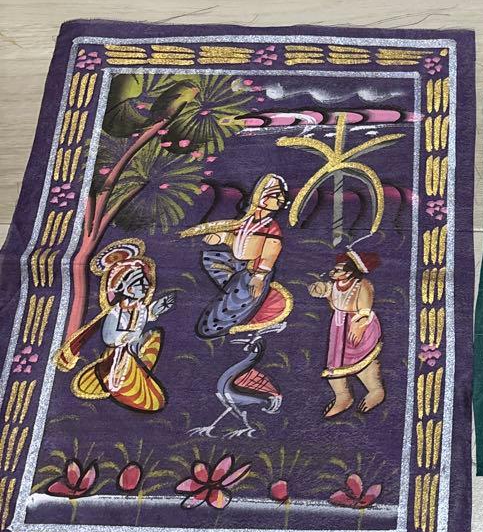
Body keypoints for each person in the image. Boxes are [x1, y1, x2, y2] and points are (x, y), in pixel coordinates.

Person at [54, 240, 175, 411]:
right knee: (126, 385)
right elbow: (109, 337)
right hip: (118, 357)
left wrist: (157, 308)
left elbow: (144, 316)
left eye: (145, 283)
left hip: (133, 351)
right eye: (140, 284)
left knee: (154, 339)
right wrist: (127, 337)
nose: (145, 287)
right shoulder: (116, 312)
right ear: (127, 289)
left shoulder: (140, 308)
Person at [182, 173, 292, 339]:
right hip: (237, 265)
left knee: (222, 315)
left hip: (254, 272)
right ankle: (236, 290)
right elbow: (236, 239)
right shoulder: (245, 221)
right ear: (260, 196)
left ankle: (236, 314)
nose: (281, 199)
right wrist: (221, 237)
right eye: (276, 194)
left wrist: (259, 276)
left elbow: (270, 253)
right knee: (210, 258)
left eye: (281, 196)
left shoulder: (271, 227)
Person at [308, 249, 385, 417]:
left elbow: (364, 310)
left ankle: (375, 391)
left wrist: (359, 327)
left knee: (363, 360)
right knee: (335, 364)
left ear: (350, 272)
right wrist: (320, 290)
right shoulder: (336, 285)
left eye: (338, 269)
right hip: (339, 328)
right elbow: (332, 299)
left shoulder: (362, 285)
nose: (333, 272)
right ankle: (343, 396)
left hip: (359, 326)